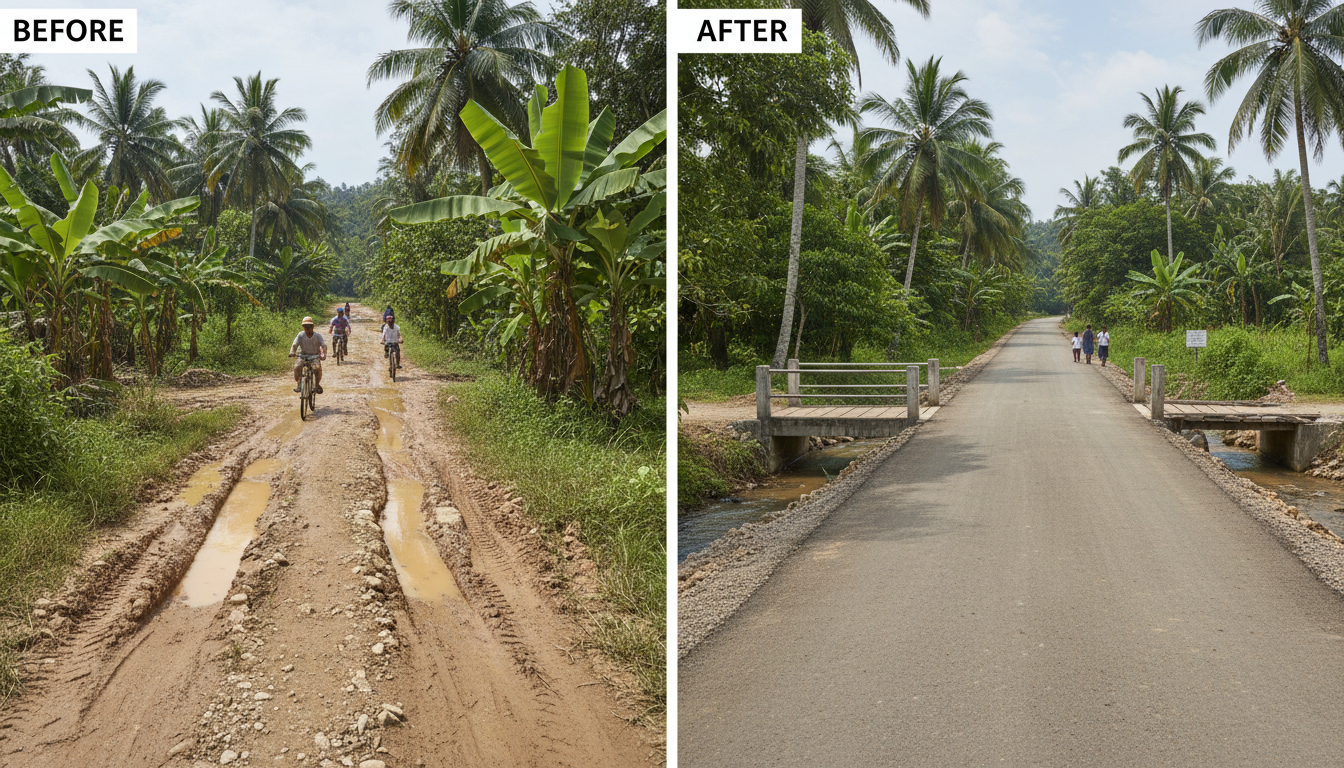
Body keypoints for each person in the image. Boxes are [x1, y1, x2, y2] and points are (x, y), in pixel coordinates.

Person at [289, 317, 326, 393]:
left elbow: (323, 345)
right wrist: (292, 352)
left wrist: (323, 354)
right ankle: (299, 384)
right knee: (297, 367)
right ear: (303, 327)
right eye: (305, 326)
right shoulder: (301, 335)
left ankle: (317, 384)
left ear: (313, 327)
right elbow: (295, 344)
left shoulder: (318, 336)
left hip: (314, 356)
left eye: (309, 326)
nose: (307, 328)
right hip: (303, 356)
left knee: (317, 368)